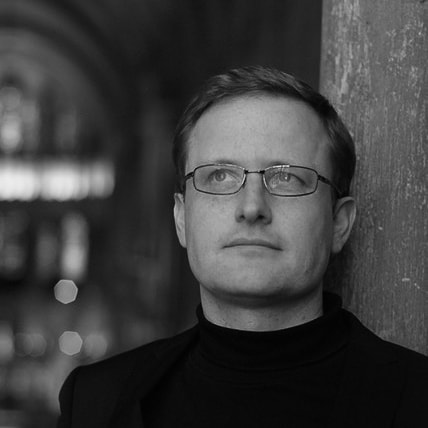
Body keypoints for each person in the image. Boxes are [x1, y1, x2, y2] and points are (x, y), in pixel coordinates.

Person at [57, 66, 428, 428]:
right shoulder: (94, 403)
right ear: (181, 219)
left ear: (339, 223)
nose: (252, 208)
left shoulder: (418, 398)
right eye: (219, 176)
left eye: (287, 177)